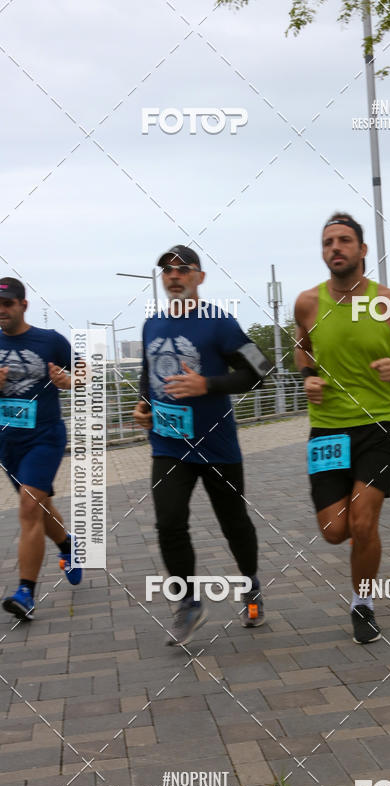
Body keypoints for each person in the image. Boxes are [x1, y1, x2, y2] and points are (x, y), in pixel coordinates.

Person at [294, 212, 390, 644]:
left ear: (363, 250)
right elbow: (302, 348)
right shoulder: (307, 303)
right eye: (328, 241)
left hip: (380, 425)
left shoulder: (389, 301)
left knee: (365, 523)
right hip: (328, 431)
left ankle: (363, 602)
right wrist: (307, 377)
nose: (336, 247)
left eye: (345, 240)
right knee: (337, 531)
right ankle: (362, 558)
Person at [133, 246, 271, 646]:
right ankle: (188, 602)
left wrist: (207, 384)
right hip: (168, 444)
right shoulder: (151, 325)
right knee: (169, 521)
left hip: (216, 446)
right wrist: (144, 405)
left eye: (183, 269)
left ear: (200, 277)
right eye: (167, 270)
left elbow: (261, 370)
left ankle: (250, 584)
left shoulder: (219, 323)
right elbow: (148, 374)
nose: (174, 275)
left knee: (234, 522)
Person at [0, 277, 81, 622]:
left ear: (23, 305)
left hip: (45, 437)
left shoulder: (49, 341)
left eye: (7, 304)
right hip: (7, 441)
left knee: (29, 506)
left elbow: (82, 369)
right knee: (40, 506)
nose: (1, 311)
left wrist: (69, 379)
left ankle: (25, 593)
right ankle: (68, 546)